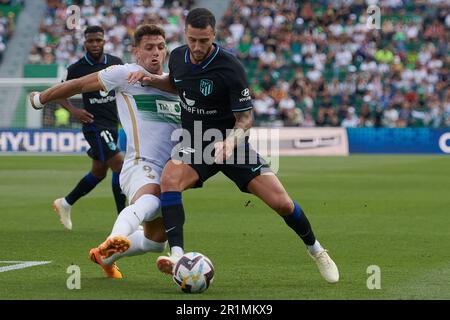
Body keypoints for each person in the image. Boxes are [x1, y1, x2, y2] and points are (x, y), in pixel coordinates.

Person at [128, 8, 339, 283]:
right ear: (185, 34)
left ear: (213, 36)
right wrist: (156, 80)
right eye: (192, 39)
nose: (197, 46)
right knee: (170, 179)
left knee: (283, 203)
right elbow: (178, 83)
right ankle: (177, 255)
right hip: (195, 141)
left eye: (203, 40)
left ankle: (317, 250)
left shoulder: (230, 68)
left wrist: (229, 142)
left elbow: (245, 119)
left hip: (231, 143)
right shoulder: (178, 56)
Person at [30, 24, 181, 279]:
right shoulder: (125, 73)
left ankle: (106, 256)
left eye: (160, 47)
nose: (156, 53)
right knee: (151, 198)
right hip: (138, 164)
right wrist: (41, 98)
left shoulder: (173, 84)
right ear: (136, 52)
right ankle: (115, 237)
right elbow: (78, 84)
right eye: (149, 48)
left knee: (156, 242)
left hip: (167, 170)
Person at [52, 26, 126, 230]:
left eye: (98, 40)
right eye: (90, 41)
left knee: (99, 172)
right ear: (84, 42)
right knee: (119, 165)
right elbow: (58, 93)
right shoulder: (77, 68)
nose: (94, 44)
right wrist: (74, 111)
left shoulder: (115, 63)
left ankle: (65, 203)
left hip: (112, 124)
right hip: (94, 125)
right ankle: (124, 221)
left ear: (104, 41)